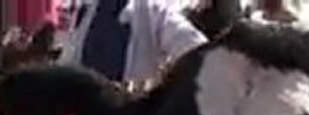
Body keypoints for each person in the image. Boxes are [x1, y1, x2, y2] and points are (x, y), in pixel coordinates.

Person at [60, 0, 205, 84]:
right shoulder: (88, 6)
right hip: (75, 105)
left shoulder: (155, 11)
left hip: (125, 114)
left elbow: (198, 50)